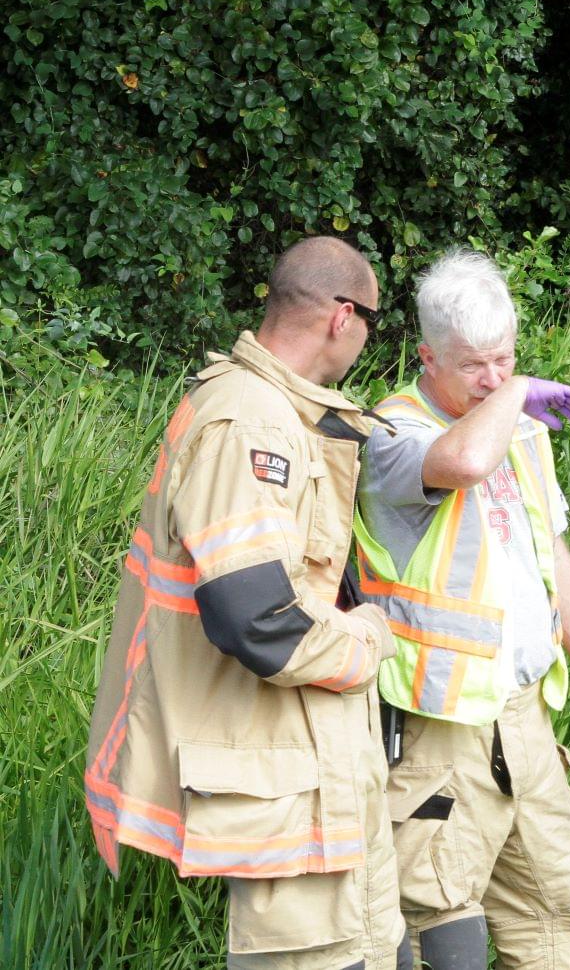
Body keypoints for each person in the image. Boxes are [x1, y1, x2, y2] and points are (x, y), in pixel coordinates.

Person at [84, 237, 407, 969]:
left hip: (312, 770)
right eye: (372, 325)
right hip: (284, 782)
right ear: (342, 317)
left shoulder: (271, 410)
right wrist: (366, 643)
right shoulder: (252, 422)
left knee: (365, 947)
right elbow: (257, 618)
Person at [353, 248, 570, 970]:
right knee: (439, 934)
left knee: (567, 918)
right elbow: (463, 462)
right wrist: (520, 392)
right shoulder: (389, 434)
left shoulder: (522, 428)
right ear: (426, 355)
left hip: (525, 721)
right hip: (441, 735)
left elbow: (551, 553)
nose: (494, 380)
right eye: (473, 365)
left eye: (505, 360)